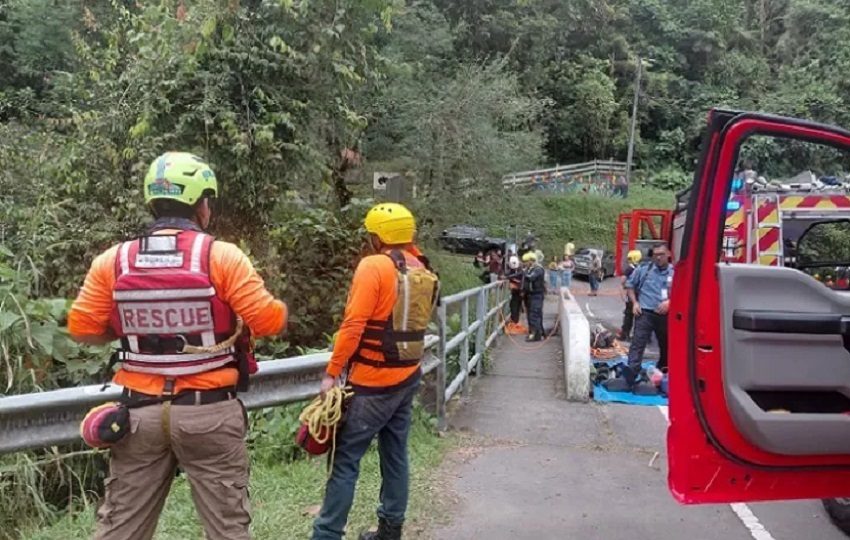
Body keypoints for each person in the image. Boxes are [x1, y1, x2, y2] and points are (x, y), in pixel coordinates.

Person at [67, 152, 288, 540]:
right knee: (227, 529)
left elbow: (82, 326)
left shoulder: (113, 261)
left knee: (120, 528)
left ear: (153, 203)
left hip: (139, 416)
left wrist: (125, 331)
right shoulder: (222, 256)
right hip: (210, 414)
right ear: (202, 205)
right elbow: (267, 321)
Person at [312, 203, 439, 540]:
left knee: (345, 461)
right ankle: (390, 529)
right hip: (408, 374)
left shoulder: (374, 266)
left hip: (371, 381)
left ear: (376, 236)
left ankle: (326, 534)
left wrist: (331, 372)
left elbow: (353, 325)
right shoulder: (424, 270)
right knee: (395, 453)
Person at [621, 244, 674, 389]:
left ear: (668, 253)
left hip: (665, 315)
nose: (658, 257)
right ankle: (631, 373)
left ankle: (663, 371)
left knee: (666, 345)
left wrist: (670, 302)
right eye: (655, 254)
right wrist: (635, 303)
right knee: (637, 344)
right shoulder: (644, 270)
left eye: (661, 254)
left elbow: (684, 292)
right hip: (644, 313)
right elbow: (630, 285)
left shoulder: (675, 273)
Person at [618, 250, 643, 341]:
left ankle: (631, 334)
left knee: (636, 316)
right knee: (629, 316)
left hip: (638, 295)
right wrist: (623, 296)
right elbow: (622, 283)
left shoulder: (638, 268)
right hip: (633, 295)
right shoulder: (630, 269)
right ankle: (625, 334)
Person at [522, 251, 545, 342]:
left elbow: (530, 277)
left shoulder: (538, 269)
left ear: (531, 261)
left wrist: (523, 272)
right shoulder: (530, 269)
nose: (525, 264)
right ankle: (536, 332)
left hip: (537, 295)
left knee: (534, 314)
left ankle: (536, 335)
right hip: (530, 295)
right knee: (532, 314)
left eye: (526, 262)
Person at [505, 255, 524, 325]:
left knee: (515, 306)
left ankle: (514, 322)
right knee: (514, 306)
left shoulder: (521, 271)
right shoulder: (512, 270)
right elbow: (507, 274)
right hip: (515, 292)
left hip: (519, 292)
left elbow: (522, 280)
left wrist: (516, 287)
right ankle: (514, 321)